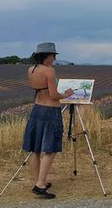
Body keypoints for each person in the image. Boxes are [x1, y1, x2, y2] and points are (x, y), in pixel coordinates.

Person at [22, 42, 74, 199]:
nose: (55, 59)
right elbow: (53, 95)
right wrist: (66, 94)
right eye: (53, 56)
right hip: (50, 111)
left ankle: (38, 181)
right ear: (46, 56)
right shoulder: (49, 71)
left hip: (37, 110)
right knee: (51, 149)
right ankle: (40, 185)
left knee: (35, 149)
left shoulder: (31, 70)